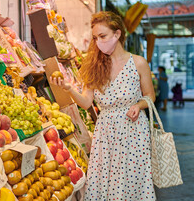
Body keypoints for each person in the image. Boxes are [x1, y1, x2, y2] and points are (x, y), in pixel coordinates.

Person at [50, 11, 156, 200]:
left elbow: (150, 96)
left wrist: (139, 106)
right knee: (105, 184)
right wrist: (68, 89)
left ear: (117, 34)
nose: (98, 41)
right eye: (95, 38)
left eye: (103, 36)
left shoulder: (138, 63)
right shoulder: (93, 66)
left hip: (133, 132)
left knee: (132, 182)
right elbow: (86, 102)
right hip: (105, 132)